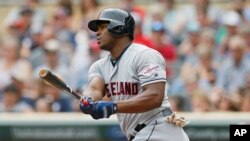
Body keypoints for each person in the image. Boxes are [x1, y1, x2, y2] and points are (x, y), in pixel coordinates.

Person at [79, 8, 189, 141]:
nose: (97, 32)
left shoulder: (144, 55)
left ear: (118, 28)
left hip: (159, 129)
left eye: (102, 27)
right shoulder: (99, 66)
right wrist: (88, 99)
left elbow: (155, 96)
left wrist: (113, 107)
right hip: (144, 133)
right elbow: (94, 89)